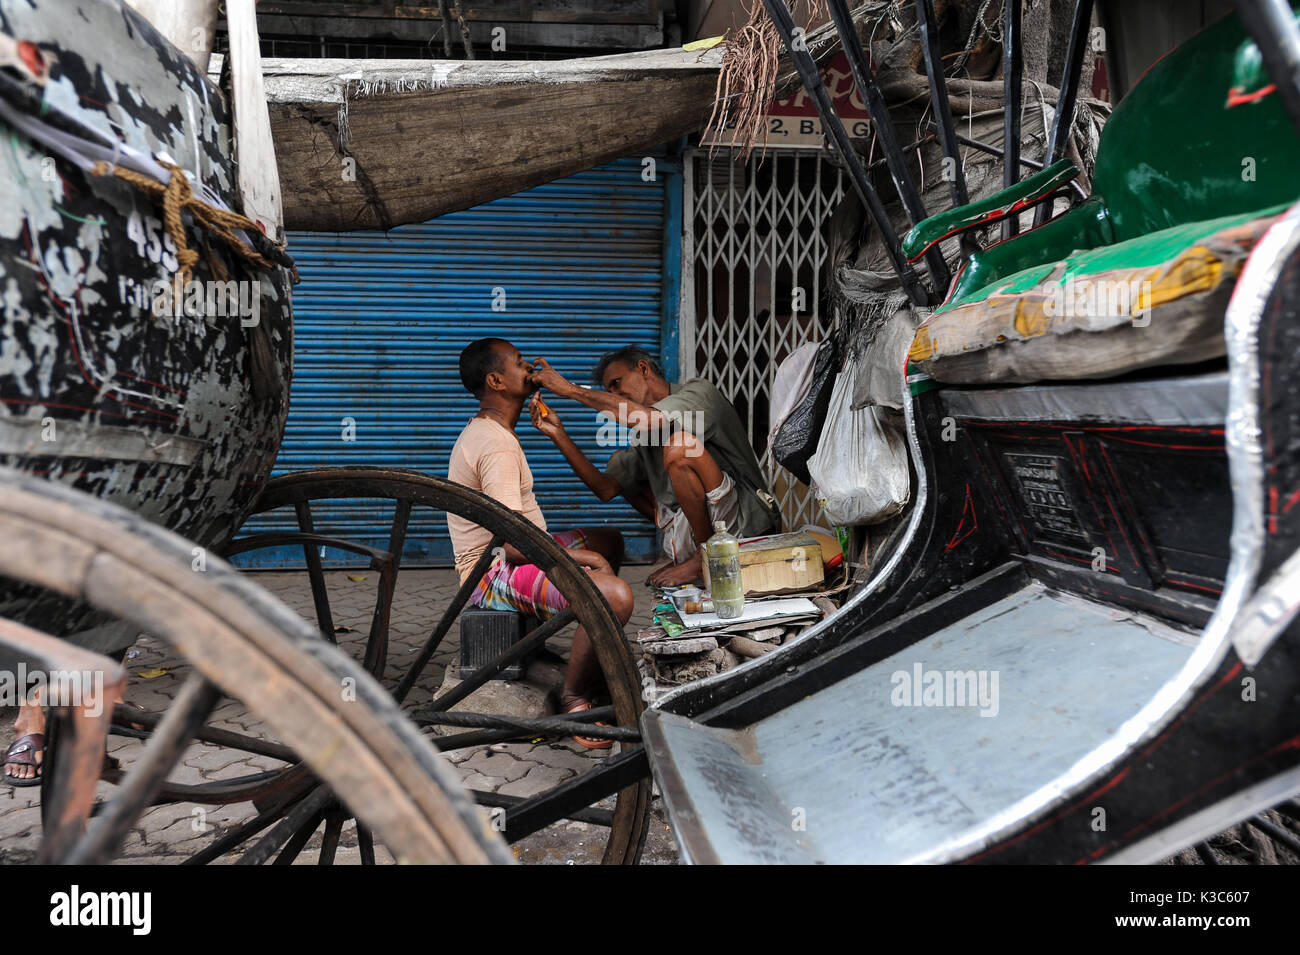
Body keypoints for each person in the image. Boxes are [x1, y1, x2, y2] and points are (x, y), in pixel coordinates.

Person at [448, 338, 633, 749]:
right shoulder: (494, 445)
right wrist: (588, 562)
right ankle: (574, 698)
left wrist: (591, 554)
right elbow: (513, 547)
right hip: (493, 574)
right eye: (519, 363)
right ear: (496, 380)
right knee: (614, 595)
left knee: (609, 539)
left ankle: (593, 640)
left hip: (520, 551)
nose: (531, 366)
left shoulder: (495, 431)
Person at [528, 345, 781, 588]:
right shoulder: (644, 433)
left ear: (643, 369)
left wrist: (571, 390)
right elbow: (605, 489)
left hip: (744, 520)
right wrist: (558, 433)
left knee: (680, 447)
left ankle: (702, 558)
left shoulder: (697, 393)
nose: (614, 397)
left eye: (617, 384)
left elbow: (647, 419)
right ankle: (689, 553)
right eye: (609, 391)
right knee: (621, 466)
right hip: (703, 525)